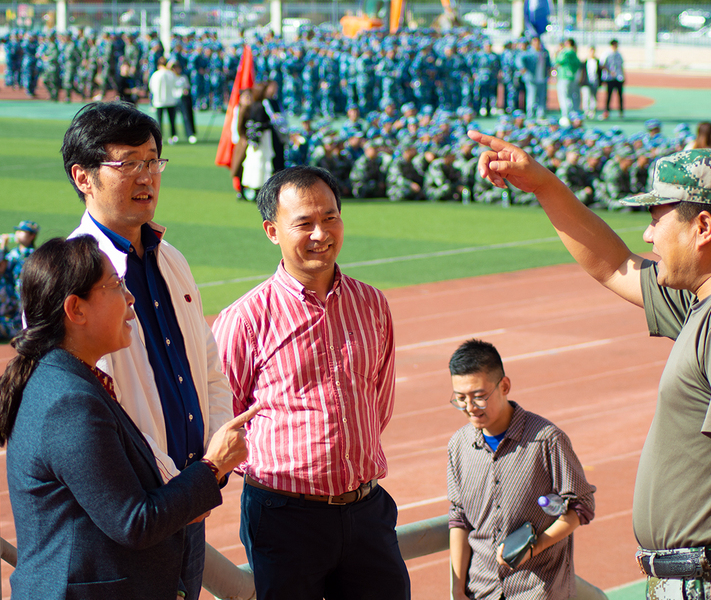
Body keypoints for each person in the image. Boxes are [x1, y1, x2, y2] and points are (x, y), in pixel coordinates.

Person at [468, 130, 711, 600]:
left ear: (703, 227)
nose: (647, 235)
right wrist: (542, 184)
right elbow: (614, 266)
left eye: (656, 219)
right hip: (696, 576)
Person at [0, 235, 253, 599]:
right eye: (116, 285)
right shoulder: (69, 401)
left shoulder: (67, 379)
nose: (130, 298)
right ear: (76, 309)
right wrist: (213, 467)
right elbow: (134, 522)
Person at [212, 165, 411, 600]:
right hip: (284, 518)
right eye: (303, 223)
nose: (321, 233)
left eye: (330, 218)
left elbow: (378, 402)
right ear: (272, 231)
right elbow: (222, 418)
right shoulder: (245, 319)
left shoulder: (372, 303)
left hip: (367, 512)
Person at [63, 101, 235, 600]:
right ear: (83, 177)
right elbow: (89, 413)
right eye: (128, 163)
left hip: (190, 506)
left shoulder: (172, 258)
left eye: (153, 160)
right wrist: (188, 485)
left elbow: (208, 368)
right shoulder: (70, 278)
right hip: (131, 519)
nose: (147, 176)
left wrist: (209, 470)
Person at [447, 339, 596, 600]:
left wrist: (535, 547)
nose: (470, 408)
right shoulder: (458, 445)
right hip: (482, 591)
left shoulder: (547, 440)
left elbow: (581, 505)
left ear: (504, 386)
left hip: (538, 591)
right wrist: (457, 590)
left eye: (479, 397)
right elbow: (459, 519)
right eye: (460, 399)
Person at [517, 37, 551, 120]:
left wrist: (549, 71)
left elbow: (548, 63)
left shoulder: (544, 53)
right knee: (531, 97)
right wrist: (522, 68)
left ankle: (541, 115)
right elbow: (519, 60)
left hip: (542, 78)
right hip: (531, 78)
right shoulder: (529, 53)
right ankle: (530, 115)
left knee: (542, 98)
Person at [149, 56, 179, 145]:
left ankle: (160, 138)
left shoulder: (155, 74)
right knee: (172, 120)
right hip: (170, 100)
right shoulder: (171, 74)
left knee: (159, 121)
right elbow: (176, 86)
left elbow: (152, 87)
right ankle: (173, 136)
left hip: (159, 101)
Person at [554, 39, 582, 125]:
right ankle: (573, 115)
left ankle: (566, 116)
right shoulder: (574, 53)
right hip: (572, 77)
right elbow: (578, 64)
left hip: (564, 77)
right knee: (571, 96)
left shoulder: (566, 52)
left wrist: (558, 52)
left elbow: (558, 61)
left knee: (564, 97)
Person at [601, 40, 624, 120]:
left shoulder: (619, 54)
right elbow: (602, 64)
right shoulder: (606, 54)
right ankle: (607, 111)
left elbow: (621, 65)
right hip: (609, 78)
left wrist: (623, 75)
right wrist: (609, 71)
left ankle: (621, 111)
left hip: (618, 77)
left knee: (620, 95)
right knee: (609, 95)